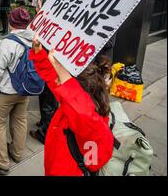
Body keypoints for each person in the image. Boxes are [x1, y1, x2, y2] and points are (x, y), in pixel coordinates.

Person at [29, 38, 114, 176]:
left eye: (62, 79)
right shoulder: (72, 101)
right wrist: (38, 51)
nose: (57, 81)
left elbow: (83, 114)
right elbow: (51, 77)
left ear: (77, 88)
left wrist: (62, 73)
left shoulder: (92, 123)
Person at [0, 7, 33, 175]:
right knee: (20, 120)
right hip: (25, 89)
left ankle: (1, 162)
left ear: (11, 23)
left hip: (6, 91)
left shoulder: (6, 43)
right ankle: (17, 153)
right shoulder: (35, 40)